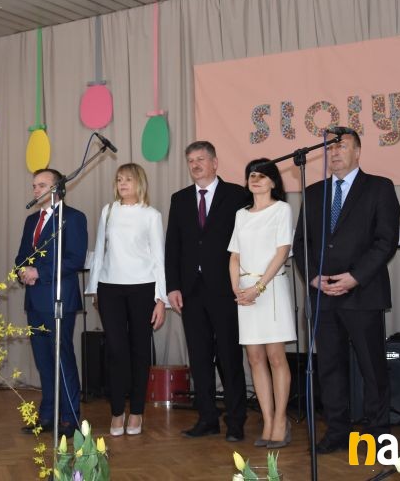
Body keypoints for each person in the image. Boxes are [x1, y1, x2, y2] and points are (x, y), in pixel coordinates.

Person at [292, 127, 399, 454]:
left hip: (362, 293)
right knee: (329, 367)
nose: (335, 153)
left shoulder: (379, 187)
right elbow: (302, 242)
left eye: (342, 147)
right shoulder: (313, 192)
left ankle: (377, 435)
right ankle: (337, 431)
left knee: (372, 367)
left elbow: (386, 241)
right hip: (323, 294)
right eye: (330, 148)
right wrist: (313, 277)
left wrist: (355, 277)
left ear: (358, 152)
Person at [165, 140, 251, 442]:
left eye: (201, 159)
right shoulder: (179, 199)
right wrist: (172, 287)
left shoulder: (237, 196)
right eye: (191, 160)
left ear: (215, 163)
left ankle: (236, 420)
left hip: (226, 288)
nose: (195, 165)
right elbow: (172, 246)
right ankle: (207, 418)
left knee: (229, 356)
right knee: (199, 358)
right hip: (191, 291)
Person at [86, 163, 167, 437]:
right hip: (110, 288)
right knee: (116, 351)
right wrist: (94, 288)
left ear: (139, 182)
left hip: (143, 288)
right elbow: (100, 250)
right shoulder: (108, 211)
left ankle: (137, 413)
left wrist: (160, 299)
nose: (122, 184)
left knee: (139, 351)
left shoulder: (151, 215)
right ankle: (117, 411)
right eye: (119, 179)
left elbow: (159, 258)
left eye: (128, 179)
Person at [228, 158, 296, 448]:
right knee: (254, 358)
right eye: (251, 175)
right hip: (245, 292)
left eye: (261, 175)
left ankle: (281, 419)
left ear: (273, 181)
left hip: (270, 288)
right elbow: (234, 256)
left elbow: (282, 251)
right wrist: (237, 288)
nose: (255, 179)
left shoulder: (282, 209)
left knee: (276, 357)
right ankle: (267, 420)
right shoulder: (241, 214)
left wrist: (258, 287)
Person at [15, 168, 88, 438]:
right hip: (34, 300)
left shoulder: (73, 218)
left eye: (42, 185)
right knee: (43, 362)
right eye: (34, 185)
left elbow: (75, 259)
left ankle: (70, 418)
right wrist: (22, 271)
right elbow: (21, 256)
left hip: (58, 299)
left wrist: (40, 272)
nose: (36, 190)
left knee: (62, 359)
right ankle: (47, 415)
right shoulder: (31, 220)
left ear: (57, 188)